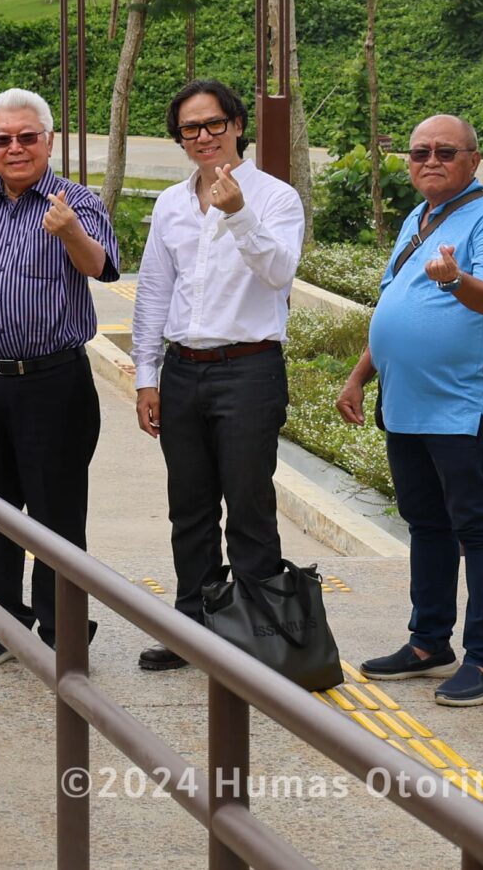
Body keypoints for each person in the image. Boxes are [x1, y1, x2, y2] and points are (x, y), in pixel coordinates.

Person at [0, 87, 120, 667]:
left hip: (53, 382)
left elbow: (102, 268)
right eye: (3, 139)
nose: (15, 148)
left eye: (27, 137)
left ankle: (63, 624)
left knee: (57, 507)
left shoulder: (74, 203)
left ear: (48, 141)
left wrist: (68, 233)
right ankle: (1, 619)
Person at [337, 114, 483, 708]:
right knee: (426, 526)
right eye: (419, 153)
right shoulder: (420, 218)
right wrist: (360, 375)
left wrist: (454, 280)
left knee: (479, 532)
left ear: (473, 159)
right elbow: (396, 301)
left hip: (464, 410)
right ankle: (428, 642)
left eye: (445, 151)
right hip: (408, 407)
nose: (430, 160)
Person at [131, 80, 305, 672]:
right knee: (190, 507)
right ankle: (193, 627)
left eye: (213, 124)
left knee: (250, 505)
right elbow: (155, 291)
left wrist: (238, 215)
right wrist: (146, 376)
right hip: (183, 370)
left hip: (249, 369)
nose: (203, 137)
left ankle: (258, 638)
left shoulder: (276, 199)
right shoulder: (171, 204)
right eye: (189, 129)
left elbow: (280, 273)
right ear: (179, 138)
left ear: (236, 124)